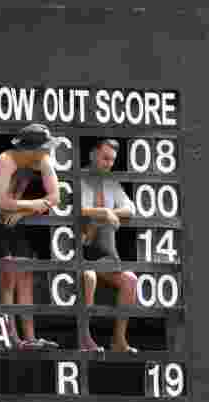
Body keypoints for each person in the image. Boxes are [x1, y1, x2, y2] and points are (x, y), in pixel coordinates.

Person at [0, 123, 61, 351]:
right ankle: (13, 338)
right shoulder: (5, 160)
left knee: (26, 273)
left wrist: (24, 210)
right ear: (31, 149)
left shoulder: (43, 161)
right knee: (9, 272)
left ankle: (30, 337)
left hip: (15, 220)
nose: (48, 152)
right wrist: (36, 204)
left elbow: (56, 196)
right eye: (44, 148)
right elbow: (1, 202)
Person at [79, 139, 139, 353]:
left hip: (105, 257)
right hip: (79, 252)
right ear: (92, 155)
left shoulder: (111, 182)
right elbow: (78, 210)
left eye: (112, 160)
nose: (108, 164)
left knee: (131, 280)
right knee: (89, 277)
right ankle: (84, 338)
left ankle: (119, 341)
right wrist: (103, 212)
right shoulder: (78, 178)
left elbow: (130, 208)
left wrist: (110, 213)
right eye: (105, 158)